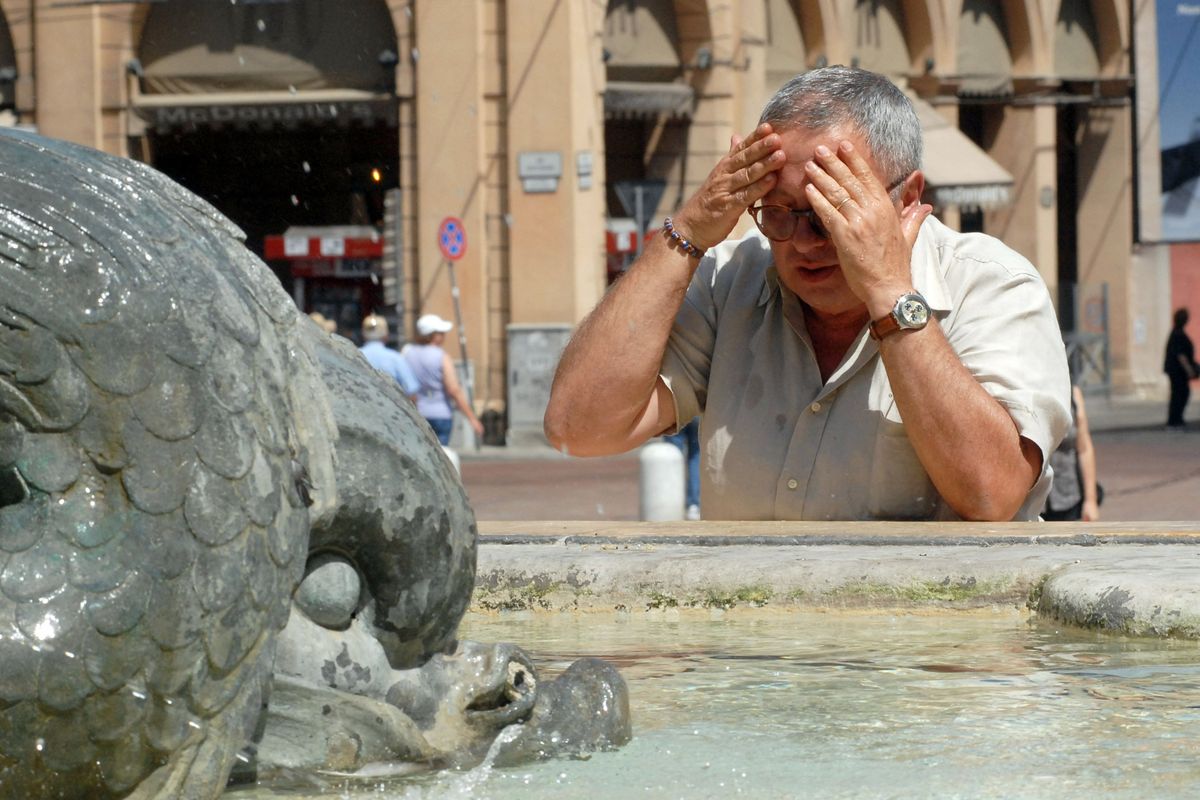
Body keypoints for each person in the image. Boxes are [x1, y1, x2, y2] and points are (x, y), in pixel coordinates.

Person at [544, 66, 1071, 521]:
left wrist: (890, 293)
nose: (801, 243)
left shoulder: (993, 284)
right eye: (777, 213)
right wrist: (685, 235)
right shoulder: (731, 278)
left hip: (928, 636)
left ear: (907, 199)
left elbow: (992, 494)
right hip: (752, 634)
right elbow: (579, 428)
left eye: (828, 216)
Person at [405, 313, 485, 446]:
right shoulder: (441, 356)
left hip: (417, 413)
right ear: (433, 335)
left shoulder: (408, 354)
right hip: (440, 414)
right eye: (441, 333)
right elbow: (454, 390)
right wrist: (472, 419)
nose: (444, 336)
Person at [1042, 385, 1100, 521]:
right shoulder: (1023, 389)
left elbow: (1084, 449)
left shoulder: (1072, 392)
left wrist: (1090, 500)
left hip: (1069, 497)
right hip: (1033, 502)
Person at [359, 313, 420, 402]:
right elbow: (411, 392)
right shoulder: (395, 358)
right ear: (386, 335)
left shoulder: (351, 355)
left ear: (363, 335)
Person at [1164, 307, 1198, 431]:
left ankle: (1176, 419)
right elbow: (1181, 355)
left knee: (1180, 394)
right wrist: (1189, 369)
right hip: (1177, 371)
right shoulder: (1178, 334)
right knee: (1179, 394)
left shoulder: (1177, 333)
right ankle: (1174, 421)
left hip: (1177, 371)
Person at [663, 417, 701, 520]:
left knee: (672, 457)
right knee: (696, 457)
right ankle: (694, 504)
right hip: (696, 412)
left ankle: (671, 502)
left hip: (674, 412)